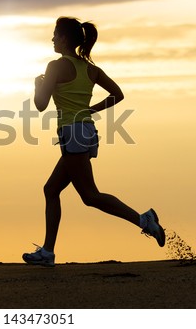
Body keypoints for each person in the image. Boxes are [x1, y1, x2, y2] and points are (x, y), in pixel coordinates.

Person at [22, 17, 165, 268]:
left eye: (55, 34)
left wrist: (38, 85)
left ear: (65, 38)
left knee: (90, 195)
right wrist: (90, 109)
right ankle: (47, 252)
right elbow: (117, 94)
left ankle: (144, 220)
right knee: (51, 189)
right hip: (86, 130)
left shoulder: (55, 66)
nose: (52, 38)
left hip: (73, 133)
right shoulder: (90, 69)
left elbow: (41, 105)